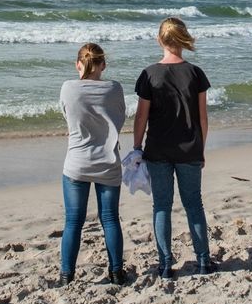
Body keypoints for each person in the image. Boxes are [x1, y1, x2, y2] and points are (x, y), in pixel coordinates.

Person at [133, 17, 216, 278]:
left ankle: (166, 264)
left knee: (161, 206)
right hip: (190, 148)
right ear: (183, 38)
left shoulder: (149, 74)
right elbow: (203, 118)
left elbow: (141, 117)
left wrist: (137, 146)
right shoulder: (195, 73)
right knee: (194, 204)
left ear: (160, 40)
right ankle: (203, 261)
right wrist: (202, 148)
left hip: (158, 149)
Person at [59, 43, 127, 286]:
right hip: (108, 161)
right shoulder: (114, 88)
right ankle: (117, 272)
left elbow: (68, 116)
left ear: (78, 64)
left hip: (77, 163)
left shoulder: (68, 88)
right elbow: (120, 117)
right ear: (103, 65)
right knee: (110, 219)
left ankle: (67, 275)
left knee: (73, 222)